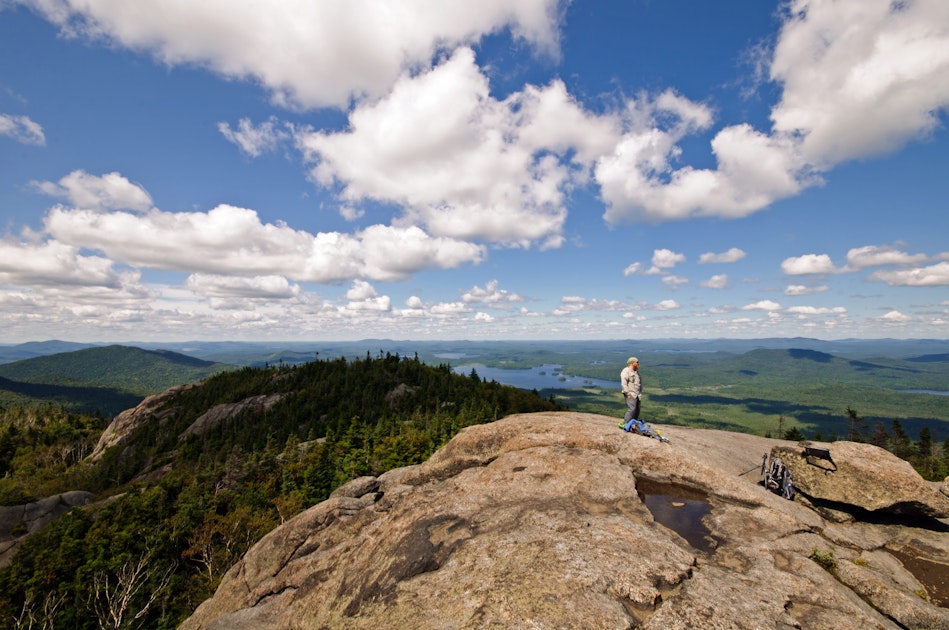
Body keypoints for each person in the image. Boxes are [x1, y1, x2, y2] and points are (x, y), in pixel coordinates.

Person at [620, 356, 642, 427]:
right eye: (637, 362)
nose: (638, 363)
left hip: (637, 395)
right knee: (632, 409)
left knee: (637, 410)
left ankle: (633, 424)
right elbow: (624, 383)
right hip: (630, 394)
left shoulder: (636, 372)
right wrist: (627, 393)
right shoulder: (626, 371)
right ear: (632, 363)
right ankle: (626, 424)